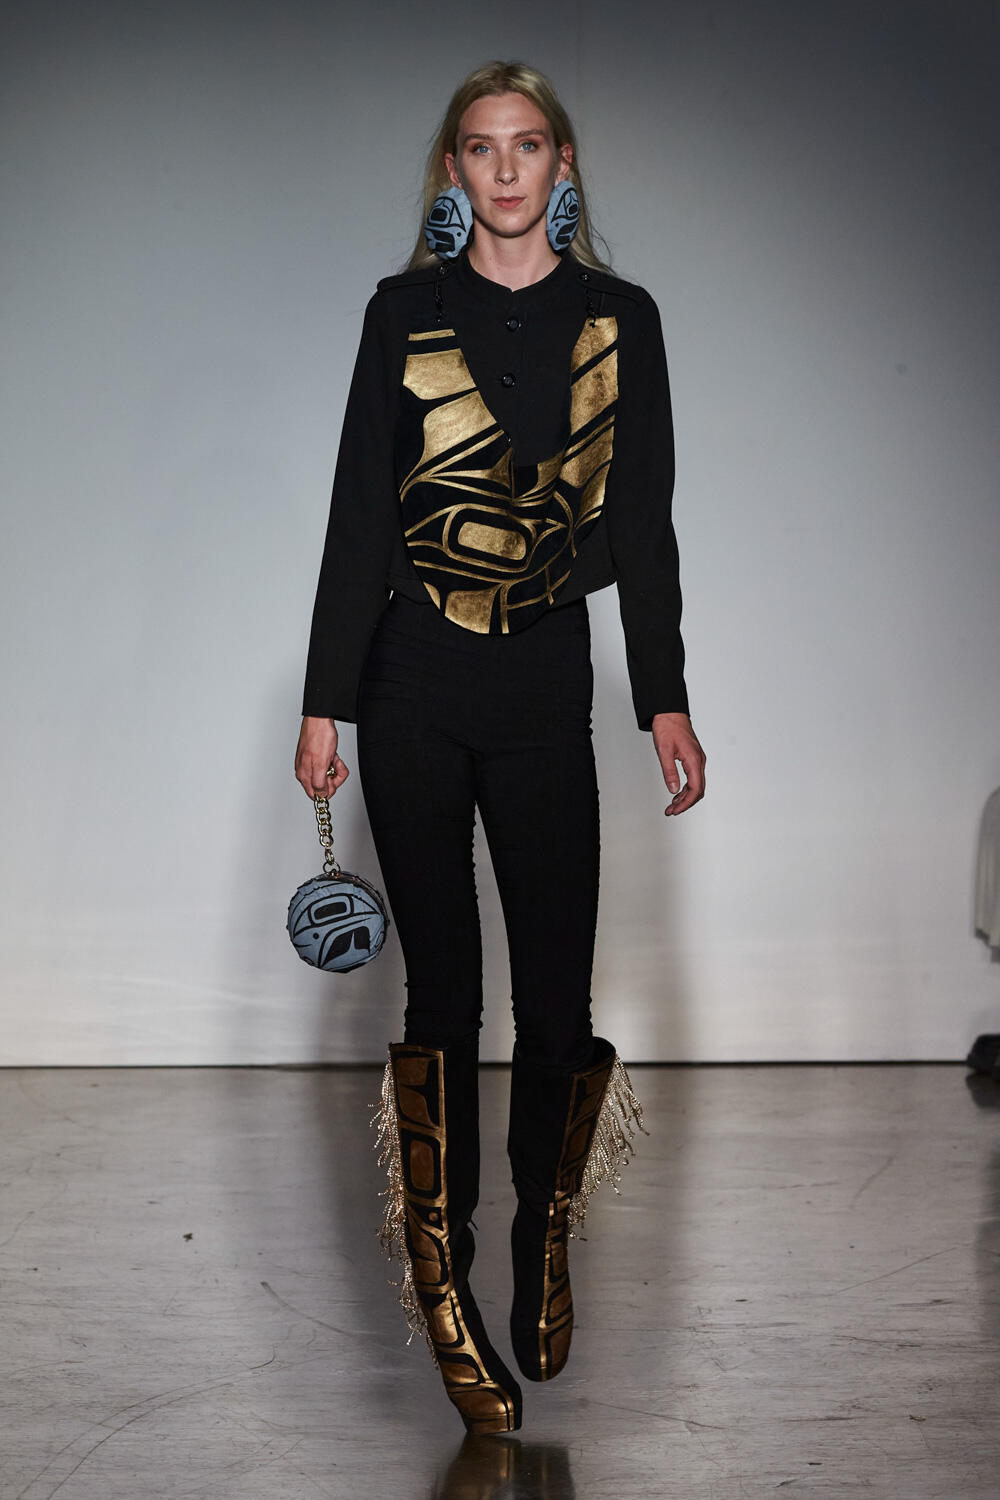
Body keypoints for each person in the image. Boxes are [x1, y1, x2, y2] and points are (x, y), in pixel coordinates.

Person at [294, 60, 706, 1436]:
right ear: (454, 171)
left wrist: (664, 698)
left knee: (559, 996)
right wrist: (325, 701)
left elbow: (641, 521)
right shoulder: (401, 312)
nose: (508, 168)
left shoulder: (621, 320)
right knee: (444, 999)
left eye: (529, 145)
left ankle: (543, 1226)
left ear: (563, 163)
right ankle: (446, 1285)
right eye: (482, 148)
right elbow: (360, 511)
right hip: (411, 679)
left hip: (542, 685)